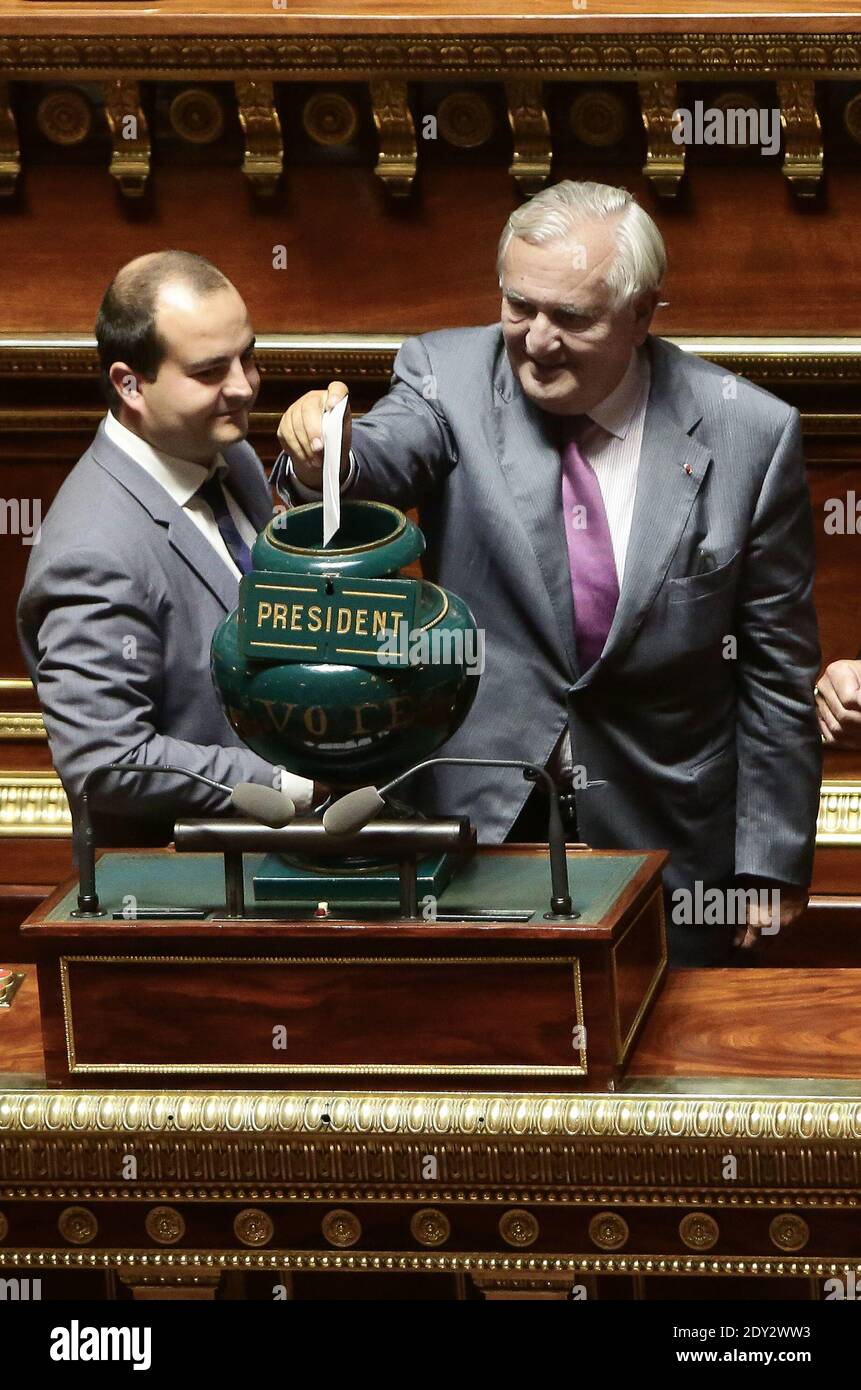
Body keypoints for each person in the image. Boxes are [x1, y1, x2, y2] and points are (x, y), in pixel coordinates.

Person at [274, 180, 822, 965]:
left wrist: (768, 862)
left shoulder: (750, 433)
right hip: (475, 819)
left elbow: (773, 669)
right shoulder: (447, 374)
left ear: (641, 315)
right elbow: (386, 452)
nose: (535, 339)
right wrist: (332, 457)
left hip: (667, 838)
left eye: (569, 316)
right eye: (517, 307)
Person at [18, 250, 313, 846]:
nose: (244, 387)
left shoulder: (231, 456)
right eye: (209, 372)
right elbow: (108, 758)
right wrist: (291, 784)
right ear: (130, 383)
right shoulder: (93, 551)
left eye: (248, 356)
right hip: (183, 892)